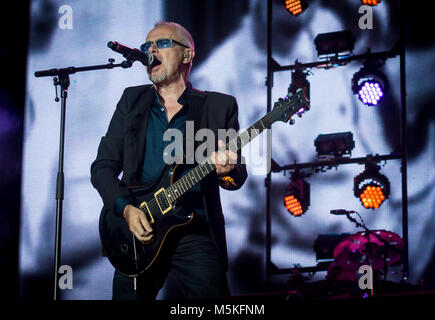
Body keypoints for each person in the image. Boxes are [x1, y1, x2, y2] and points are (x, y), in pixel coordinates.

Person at [90, 21, 247, 300]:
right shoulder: (131, 100)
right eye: (146, 46)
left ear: (187, 55)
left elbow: (236, 178)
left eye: (162, 43)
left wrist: (227, 170)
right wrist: (126, 210)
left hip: (195, 230)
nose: (150, 50)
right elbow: (102, 167)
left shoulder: (219, 106)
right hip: (139, 228)